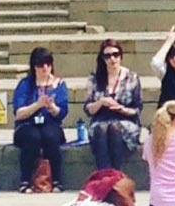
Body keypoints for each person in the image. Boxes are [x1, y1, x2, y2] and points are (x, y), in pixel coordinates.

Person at [10, 46, 70, 192]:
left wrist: (52, 107)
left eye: (48, 64)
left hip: (50, 124)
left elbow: (62, 113)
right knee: (33, 138)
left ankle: (56, 180)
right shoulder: (25, 84)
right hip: (27, 124)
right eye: (40, 65)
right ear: (34, 66)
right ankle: (25, 180)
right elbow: (19, 113)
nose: (45, 68)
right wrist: (37, 105)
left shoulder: (59, 84)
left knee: (50, 137)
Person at [83, 37, 144, 171]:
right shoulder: (95, 79)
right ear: (103, 59)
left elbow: (137, 109)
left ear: (121, 56)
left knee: (114, 128)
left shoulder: (132, 77)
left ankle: (116, 173)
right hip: (100, 119)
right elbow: (88, 109)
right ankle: (104, 174)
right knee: (101, 129)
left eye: (116, 55)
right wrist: (101, 102)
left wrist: (121, 108)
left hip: (125, 120)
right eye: (108, 56)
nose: (112, 59)